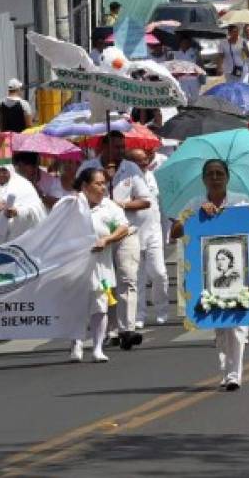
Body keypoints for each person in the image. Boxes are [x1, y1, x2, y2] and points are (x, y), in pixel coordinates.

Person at [170, 159, 249, 390]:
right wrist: (196, 215)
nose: (215, 178)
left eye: (219, 173)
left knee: (237, 324)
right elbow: (174, 232)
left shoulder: (241, 201)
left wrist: (229, 215)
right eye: (211, 174)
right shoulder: (195, 203)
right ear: (204, 179)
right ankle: (226, 371)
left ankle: (235, 375)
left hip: (241, 272)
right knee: (220, 325)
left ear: (227, 177)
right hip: (208, 274)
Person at [78, 131, 152, 349]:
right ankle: (110, 330)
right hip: (98, 235)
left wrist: (122, 205)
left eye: (122, 147)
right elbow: (77, 195)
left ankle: (127, 328)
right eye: (116, 147)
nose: (120, 151)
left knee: (128, 277)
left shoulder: (131, 169)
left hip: (126, 231)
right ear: (103, 146)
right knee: (106, 282)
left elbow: (145, 201)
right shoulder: (89, 168)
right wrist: (102, 185)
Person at [70, 168, 131, 364]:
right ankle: (76, 343)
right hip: (74, 265)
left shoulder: (109, 206)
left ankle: (97, 347)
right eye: (98, 183)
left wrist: (107, 239)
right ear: (85, 186)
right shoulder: (71, 204)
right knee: (76, 306)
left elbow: (123, 227)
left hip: (100, 264)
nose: (103, 187)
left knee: (100, 305)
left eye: (104, 183)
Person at [129, 149, 169, 328]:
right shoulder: (126, 180)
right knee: (137, 277)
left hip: (154, 231)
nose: (143, 164)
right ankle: (139, 315)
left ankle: (162, 309)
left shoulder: (154, 176)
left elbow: (162, 204)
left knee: (159, 272)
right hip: (133, 232)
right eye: (138, 161)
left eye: (145, 160)